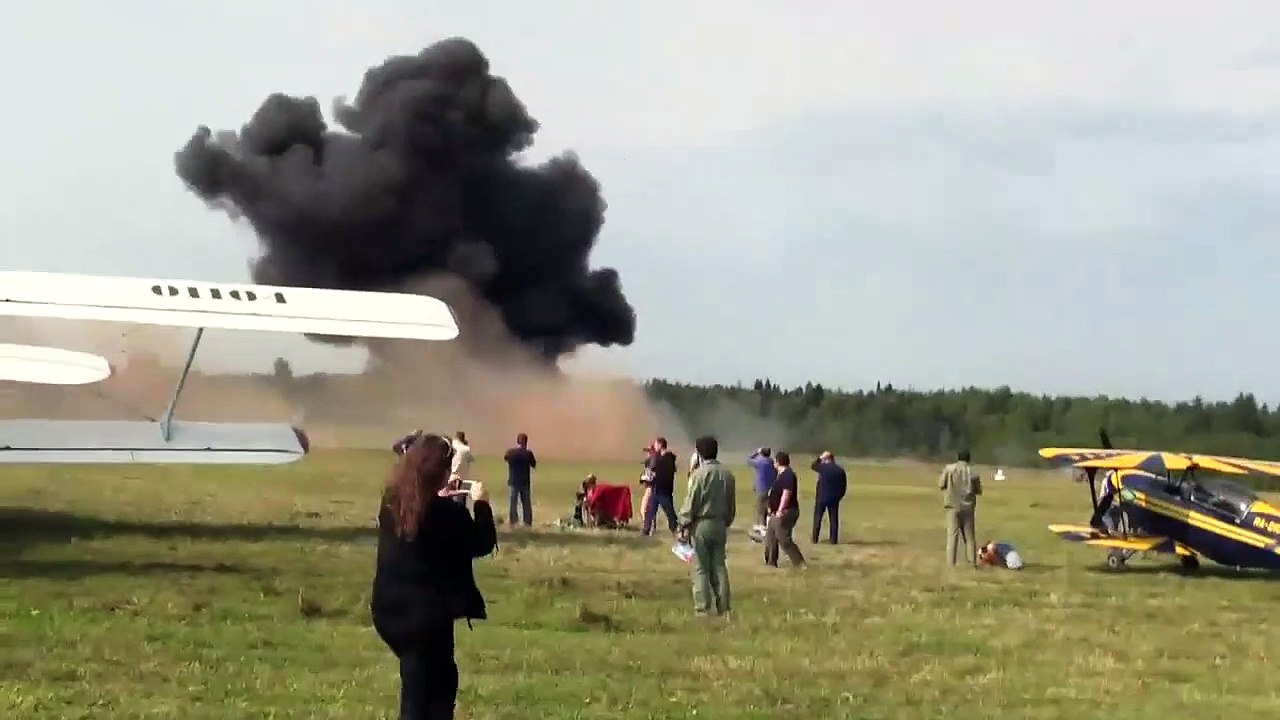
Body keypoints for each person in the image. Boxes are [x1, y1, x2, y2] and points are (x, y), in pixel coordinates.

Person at [370, 433, 498, 720]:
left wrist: (436, 495)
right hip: (426, 619)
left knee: (421, 680)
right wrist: (481, 504)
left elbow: (422, 521)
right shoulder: (447, 515)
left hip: (389, 612)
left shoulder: (392, 501)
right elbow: (481, 542)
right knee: (433, 693)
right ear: (440, 473)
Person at [676, 436, 736, 616]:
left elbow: (691, 502)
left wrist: (683, 524)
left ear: (699, 453)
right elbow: (731, 504)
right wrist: (726, 521)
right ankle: (724, 607)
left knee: (700, 567)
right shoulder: (728, 475)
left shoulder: (699, 475)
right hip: (720, 524)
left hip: (701, 524)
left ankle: (702, 608)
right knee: (719, 566)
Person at [939, 449, 982, 567]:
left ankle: (951, 563)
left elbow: (941, 484)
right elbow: (978, 490)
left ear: (957, 457)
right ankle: (972, 562)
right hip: (968, 507)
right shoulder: (973, 472)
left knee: (952, 536)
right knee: (969, 537)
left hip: (953, 506)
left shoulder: (949, 469)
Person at [764, 451, 807, 568]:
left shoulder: (788, 474)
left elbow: (786, 493)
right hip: (774, 513)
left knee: (783, 539)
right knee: (770, 538)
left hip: (785, 512)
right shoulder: (780, 475)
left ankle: (799, 563)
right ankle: (771, 563)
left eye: (774, 461)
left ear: (778, 462)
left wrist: (780, 510)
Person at [809, 451, 847, 544]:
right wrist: (839, 496)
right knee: (834, 520)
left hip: (821, 497)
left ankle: (815, 538)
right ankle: (833, 539)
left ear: (826, 459)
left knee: (818, 518)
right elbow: (843, 486)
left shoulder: (823, 468)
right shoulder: (840, 470)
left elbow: (813, 465)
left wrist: (820, 457)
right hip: (834, 498)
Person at [643, 437, 679, 536]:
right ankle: (646, 530)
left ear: (660, 445)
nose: (655, 447)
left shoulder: (668, 458)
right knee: (650, 510)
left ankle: (675, 529)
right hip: (657, 488)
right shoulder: (660, 457)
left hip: (664, 490)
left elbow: (663, 471)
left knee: (669, 512)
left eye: (655, 445)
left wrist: (655, 471)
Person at [502, 432, 537, 527]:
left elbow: (505, 458)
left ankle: (513, 522)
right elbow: (534, 464)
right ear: (526, 442)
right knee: (526, 503)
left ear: (517, 441)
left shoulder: (511, 452)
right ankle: (527, 522)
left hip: (513, 481)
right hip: (525, 481)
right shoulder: (528, 453)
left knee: (513, 503)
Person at [747, 447, 777, 527]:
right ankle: (767, 524)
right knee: (767, 507)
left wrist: (756, 452)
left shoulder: (760, 462)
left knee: (760, 508)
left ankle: (762, 525)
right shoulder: (771, 462)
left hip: (761, 488)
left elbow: (748, 460)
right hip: (770, 488)